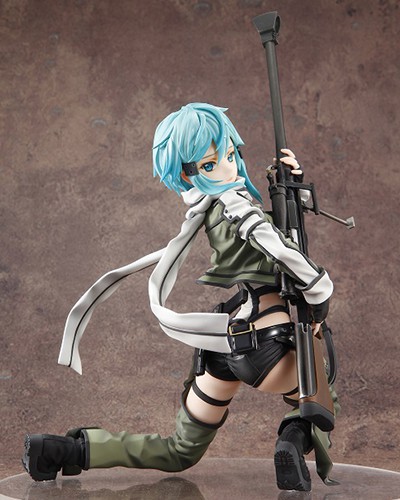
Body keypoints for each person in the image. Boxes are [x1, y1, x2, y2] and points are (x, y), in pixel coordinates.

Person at [22, 103, 338, 492]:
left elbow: (280, 233)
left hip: (225, 346)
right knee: (323, 397)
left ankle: (62, 451)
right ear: (187, 173)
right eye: (210, 164)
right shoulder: (238, 207)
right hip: (268, 343)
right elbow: (285, 252)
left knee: (180, 450)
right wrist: (319, 295)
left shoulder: (208, 209)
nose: (228, 167)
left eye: (230, 154)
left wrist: (290, 185)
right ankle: (290, 442)